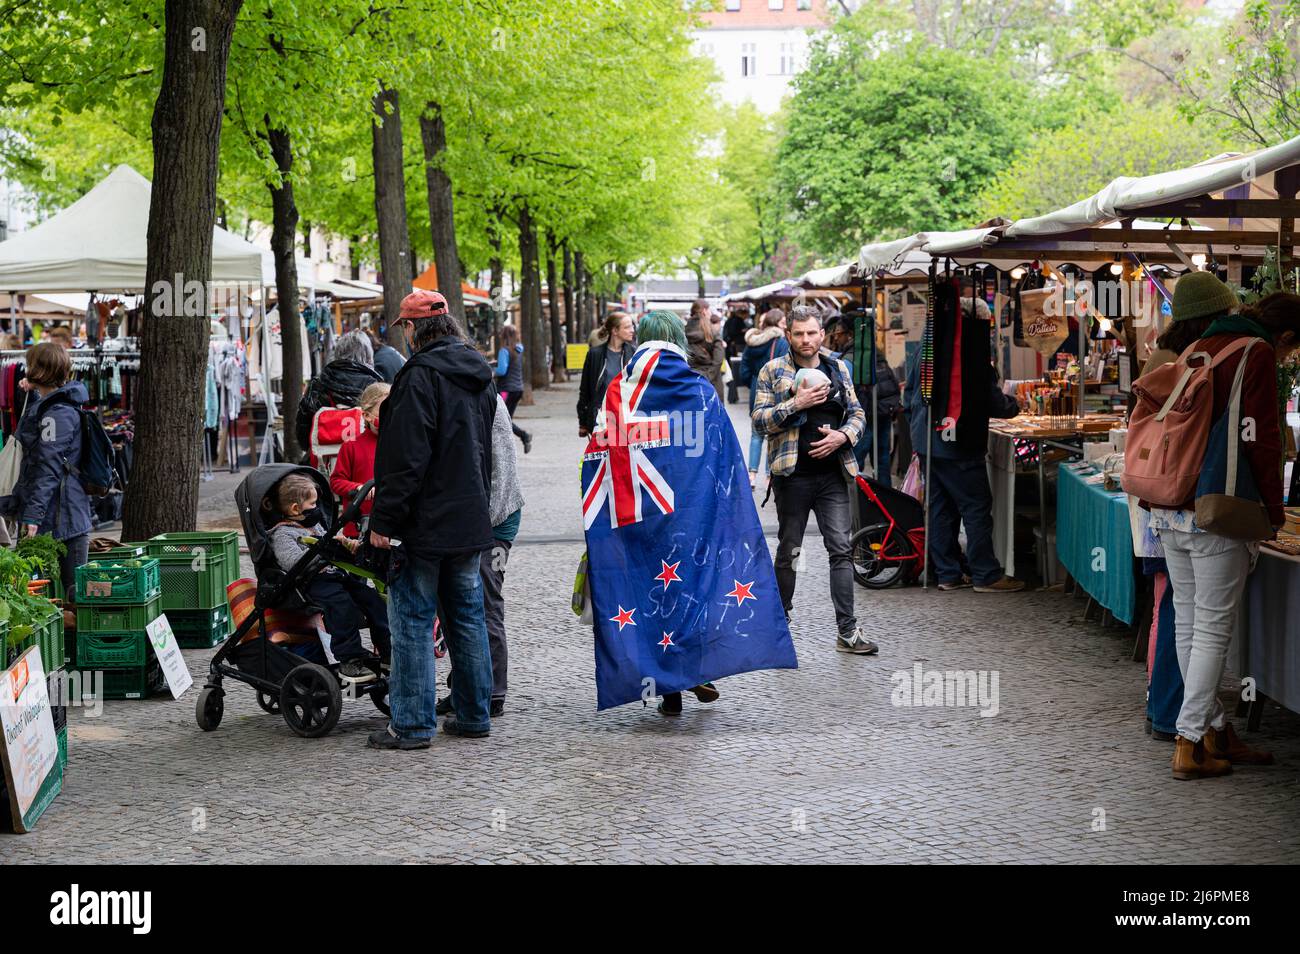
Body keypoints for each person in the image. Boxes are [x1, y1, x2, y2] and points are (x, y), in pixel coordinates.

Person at [1138, 275, 1298, 780]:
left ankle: (1212, 729)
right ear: (1289, 337)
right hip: (1218, 509)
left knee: (1189, 623)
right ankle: (1189, 742)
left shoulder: (1198, 347)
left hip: (1172, 505)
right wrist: (1273, 509)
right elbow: (1261, 438)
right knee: (1210, 629)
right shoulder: (1254, 351)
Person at [367, 289, 496, 750]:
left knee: (414, 622)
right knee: (467, 619)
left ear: (410, 328)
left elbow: (406, 460)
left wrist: (384, 521)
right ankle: (474, 715)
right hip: (468, 517)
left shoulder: (417, 378)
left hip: (424, 524)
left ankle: (412, 725)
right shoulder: (478, 374)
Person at [752, 306, 877, 655]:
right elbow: (759, 422)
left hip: (833, 475)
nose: (806, 340)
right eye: (799, 334)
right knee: (790, 550)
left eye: (812, 333)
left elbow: (858, 414)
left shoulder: (838, 367)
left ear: (821, 334)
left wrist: (843, 437)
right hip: (792, 477)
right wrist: (796, 403)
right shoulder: (772, 370)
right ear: (788, 336)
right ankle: (781, 621)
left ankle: (848, 630)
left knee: (840, 549)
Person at [904, 346, 1023, 592]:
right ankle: (985, 574)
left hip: (927, 440)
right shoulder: (970, 352)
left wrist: (919, 430)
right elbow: (993, 402)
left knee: (940, 507)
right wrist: (1015, 404)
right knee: (975, 506)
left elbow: (908, 396)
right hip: (958, 445)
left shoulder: (924, 347)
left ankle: (947, 573)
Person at [437, 392, 525, 719]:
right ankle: (464, 686)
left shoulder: (487, 399)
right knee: (454, 605)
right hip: (475, 520)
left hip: (496, 522)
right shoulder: (465, 396)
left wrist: (482, 524)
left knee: (487, 600)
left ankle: (493, 691)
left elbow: (500, 470)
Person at [268, 474, 389, 683]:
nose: (316, 507)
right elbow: (292, 562)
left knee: (373, 599)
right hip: (311, 582)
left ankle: (388, 651)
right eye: (312, 503)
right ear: (296, 509)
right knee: (342, 606)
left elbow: (332, 542)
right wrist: (322, 550)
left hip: (335, 575)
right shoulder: (283, 534)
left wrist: (344, 545)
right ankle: (349, 659)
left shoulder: (314, 526)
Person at [0, 343, 92, 594]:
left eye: (31, 365)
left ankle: (74, 630)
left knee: (71, 592)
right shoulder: (54, 404)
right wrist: (34, 393)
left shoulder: (58, 413)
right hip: (59, 513)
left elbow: (47, 467)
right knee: (43, 592)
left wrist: (32, 515)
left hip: (62, 517)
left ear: (39, 369)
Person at [826, 314, 901, 486]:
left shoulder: (850, 358)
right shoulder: (873, 350)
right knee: (882, 460)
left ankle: (855, 503)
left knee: (855, 461)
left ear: (850, 334)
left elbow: (844, 389)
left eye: (839, 332)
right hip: (882, 411)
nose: (836, 336)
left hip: (863, 415)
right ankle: (884, 502)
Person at [294, 329, 383, 458]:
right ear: (369, 354)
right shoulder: (377, 388)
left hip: (325, 464)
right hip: (366, 464)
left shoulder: (318, 385)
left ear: (338, 352)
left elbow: (303, 435)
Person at [329, 382, 389, 538]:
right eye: (384, 409)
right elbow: (336, 481)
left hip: (391, 524)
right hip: (359, 526)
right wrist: (358, 488)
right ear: (367, 415)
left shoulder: (401, 444)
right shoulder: (351, 446)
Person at [740, 309, 789, 488]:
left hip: (755, 388)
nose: (785, 323)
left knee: (756, 434)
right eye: (783, 320)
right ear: (776, 322)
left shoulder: (751, 343)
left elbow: (743, 369)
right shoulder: (781, 342)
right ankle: (769, 477)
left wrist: (752, 383)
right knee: (772, 434)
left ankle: (752, 475)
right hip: (775, 391)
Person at [576, 311, 634, 437]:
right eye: (627, 327)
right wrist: (583, 422)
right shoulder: (594, 354)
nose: (632, 330)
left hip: (626, 418)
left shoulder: (634, 354)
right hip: (599, 418)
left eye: (632, 326)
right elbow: (585, 389)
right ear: (615, 331)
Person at [494, 323, 532, 453]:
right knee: (506, 418)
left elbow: (502, 370)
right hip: (517, 389)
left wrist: (491, 370)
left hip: (505, 390)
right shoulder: (519, 350)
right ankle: (521, 437)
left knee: (500, 418)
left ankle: (522, 436)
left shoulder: (504, 351)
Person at [685, 299, 726, 401]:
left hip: (690, 380)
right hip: (712, 382)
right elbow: (719, 358)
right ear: (704, 311)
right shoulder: (711, 331)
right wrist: (709, 376)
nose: (710, 313)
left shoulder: (683, 330)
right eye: (709, 310)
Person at [721, 306, 751, 404]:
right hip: (736, 347)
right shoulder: (738, 321)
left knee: (732, 370)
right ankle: (732, 394)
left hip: (731, 347)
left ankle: (732, 395)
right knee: (734, 371)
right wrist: (743, 331)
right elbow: (735, 332)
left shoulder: (731, 320)